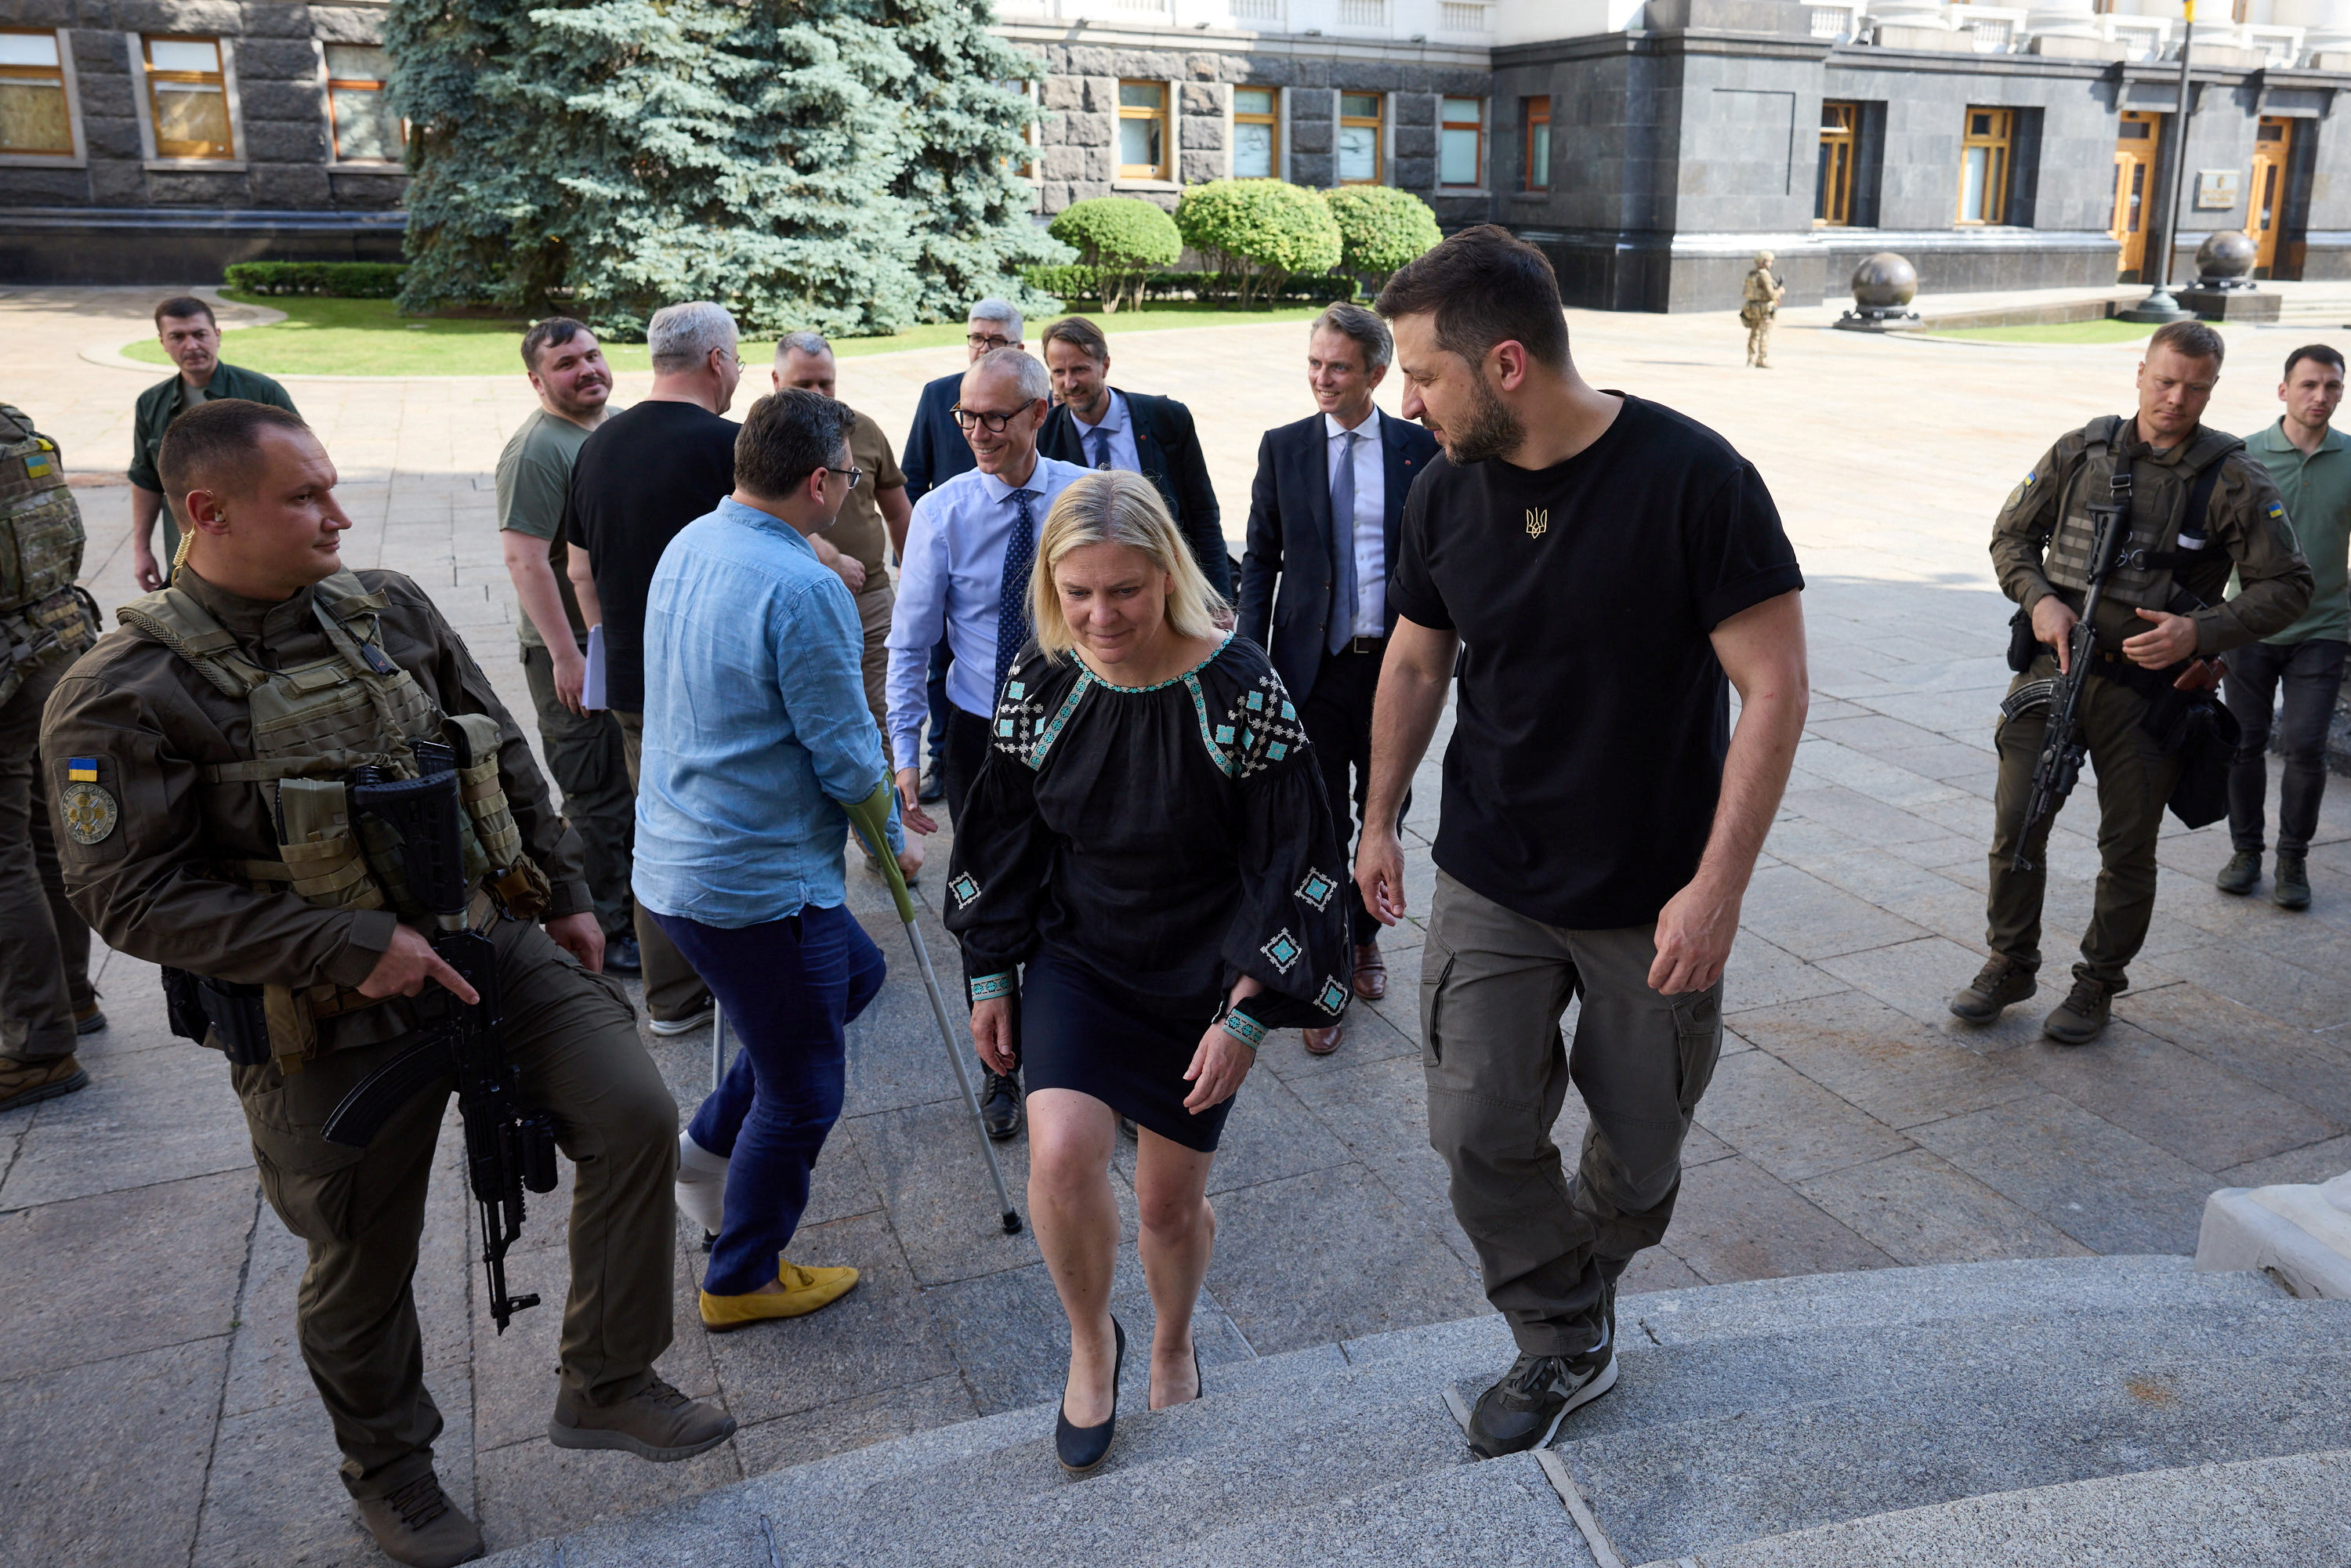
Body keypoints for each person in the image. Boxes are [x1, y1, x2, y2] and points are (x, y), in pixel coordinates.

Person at [42, 399, 733, 1568]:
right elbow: (130, 900)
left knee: (635, 1111)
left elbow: (494, 740)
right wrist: (345, 947)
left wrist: (564, 888)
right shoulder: (122, 691)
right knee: (363, 1255)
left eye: (332, 487)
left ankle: (608, 1380)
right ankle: (393, 1472)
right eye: (304, 497)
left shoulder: (389, 605)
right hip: (315, 1015)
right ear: (205, 514)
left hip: (481, 938)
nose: (339, 515)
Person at [1353, 226, 1809, 1458]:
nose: (1406, 399)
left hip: (1652, 893)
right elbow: (1416, 654)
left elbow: (1772, 687)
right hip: (1493, 871)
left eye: (1424, 374)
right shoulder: (1443, 485)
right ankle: (1561, 1331)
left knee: (1644, 1154)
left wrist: (1717, 889)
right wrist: (1380, 813)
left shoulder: (1694, 478)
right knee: (1474, 1125)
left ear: (1506, 364)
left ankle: (1589, 1273)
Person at [944, 469, 1350, 1473]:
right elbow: (1000, 839)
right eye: (1077, 592)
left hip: (1203, 975)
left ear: (1165, 576)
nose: (1099, 614)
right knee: (1059, 1158)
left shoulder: (1239, 687)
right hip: (1081, 956)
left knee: (1168, 1204)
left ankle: (1171, 1340)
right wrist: (991, 974)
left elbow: (1297, 854)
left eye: (1123, 591)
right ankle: (1093, 1344)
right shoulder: (1041, 684)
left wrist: (1249, 1012)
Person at [1953, 320, 2313, 1044]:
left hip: (2147, 693)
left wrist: (2200, 632)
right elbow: (2010, 537)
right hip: (2053, 668)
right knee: (2017, 821)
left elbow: (2290, 585)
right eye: (2165, 380)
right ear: (2140, 373)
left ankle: (2097, 984)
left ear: (2212, 389)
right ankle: (2010, 959)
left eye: (2195, 387)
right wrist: (2040, 597)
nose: (2177, 399)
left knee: (2126, 847)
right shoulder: (2079, 452)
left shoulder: (2232, 478)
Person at [635, 389, 899, 1331]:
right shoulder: (805, 587)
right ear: (822, 483)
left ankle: (705, 1150)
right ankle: (741, 1274)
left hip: (676, 861)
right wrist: (894, 846)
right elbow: (845, 749)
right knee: (804, 1088)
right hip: (751, 885)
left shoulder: (692, 542)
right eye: (849, 477)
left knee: (855, 978)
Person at [886, 347, 1088, 1141]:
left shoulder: (1086, 497)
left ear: (1040, 414)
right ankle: (1000, 1066)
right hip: (980, 732)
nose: (977, 431)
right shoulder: (942, 511)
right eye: (967, 415)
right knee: (987, 896)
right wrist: (906, 755)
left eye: (995, 417)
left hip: (1079, 723)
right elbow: (910, 646)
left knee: (1081, 888)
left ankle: (1087, 1053)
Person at [1236, 302, 1439, 1056]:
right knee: (1318, 825)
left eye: (1339, 366)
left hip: (1394, 670)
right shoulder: (1284, 448)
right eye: (1315, 363)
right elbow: (1260, 559)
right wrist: (1250, 658)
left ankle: (1361, 941)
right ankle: (1322, 973)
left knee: (1381, 813)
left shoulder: (1420, 450)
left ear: (1377, 374)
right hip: (1308, 672)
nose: (1322, 378)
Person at [562, 300, 739, 1036]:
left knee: (659, 827)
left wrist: (615, 645)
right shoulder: (730, 446)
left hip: (634, 678)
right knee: (731, 828)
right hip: (718, 678)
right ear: (715, 362)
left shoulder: (597, 446)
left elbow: (578, 570)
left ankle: (670, 996)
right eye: (736, 360)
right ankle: (749, 980)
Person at [495, 317, 639, 974]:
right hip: (574, 651)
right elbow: (525, 559)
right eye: (565, 364)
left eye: (592, 355)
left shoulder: (607, 429)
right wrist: (567, 656)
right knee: (598, 792)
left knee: (633, 782)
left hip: (616, 638)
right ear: (536, 380)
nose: (586, 369)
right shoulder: (536, 450)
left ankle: (637, 911)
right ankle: (608, 926)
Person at [771, 330, 922, 882]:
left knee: (878, 716)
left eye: (825, 381)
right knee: (821, 724)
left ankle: (886, 841)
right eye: (803, 382)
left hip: (875, 598)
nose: (817, 391)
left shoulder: (864, 429)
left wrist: (915, 577)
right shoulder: (765, 441)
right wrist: (826, 555)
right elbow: (763, 518)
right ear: (775, 383)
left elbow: (898, 510)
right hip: (803, 605)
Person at [2218, 344, 2351, 911]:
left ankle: (2292, 857)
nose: (2320, 397)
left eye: (2332, 387)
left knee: (2305, 746)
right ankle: (2246, 852)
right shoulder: (2245, 455)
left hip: (2323, 626)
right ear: (2284, 391)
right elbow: (2216, 545)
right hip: (2248, 622)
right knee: (2243, 743)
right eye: (2309, 385)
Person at [0, 403, 104, 1114]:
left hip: (5, 667)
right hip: (54, 642)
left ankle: (37, 1045)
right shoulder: (13, 427)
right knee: (43, 835)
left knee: (3, 854)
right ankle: (70, 994)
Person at [903, 299, 1028, 805]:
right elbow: (913, 474)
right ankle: (941, 755)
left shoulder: (1036, 410)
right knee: (941, 663)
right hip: (948, 554)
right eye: (976, 338)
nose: (978, 432)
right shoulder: (938, 396)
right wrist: (918, 550)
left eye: (994, 341)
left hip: (1064, 712)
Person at [1035, 315, 1233, 597]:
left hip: (1170, 587)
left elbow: (1202, 513)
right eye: (1058, 372)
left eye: (1080, 369)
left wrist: (1218, 598)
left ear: (1105, 365)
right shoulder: (1044, 436)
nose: (1069, 383)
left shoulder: (1166, 419)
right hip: (1093, 595)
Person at [128, 295, 299, 592]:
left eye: (200, 334)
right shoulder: (150, 403)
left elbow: (301, 468)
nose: (191, 346)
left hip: (260, 549)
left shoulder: (260, 392)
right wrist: (141, 549)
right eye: (178, 337)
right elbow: (146, 479)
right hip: (188, 555)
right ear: (163, 343)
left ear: (217, 336)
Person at [1741, 251, 1784, 370]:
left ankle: (1751, 359)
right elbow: (1771, 294)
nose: (1771, 264)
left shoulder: (1752, 273)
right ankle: (1762, 360)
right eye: (1769, 261)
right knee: (1764, 334)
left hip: (1753, 308)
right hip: (1764, 309)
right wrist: (1780, 291)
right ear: (1763, 261)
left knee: (1754, 334)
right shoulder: (1764, 274)